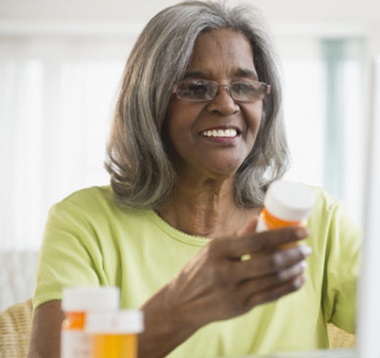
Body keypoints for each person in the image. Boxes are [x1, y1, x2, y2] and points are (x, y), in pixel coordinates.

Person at [28, 1, 361, 357]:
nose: (226, 104)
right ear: (151, 102)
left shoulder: (317, 219)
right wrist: (183, 308)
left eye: (244, 86)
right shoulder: (84, 223)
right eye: (196, 87)